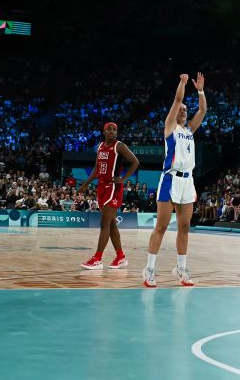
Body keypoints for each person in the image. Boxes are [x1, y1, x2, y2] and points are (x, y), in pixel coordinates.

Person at [143, 72, 207, 288]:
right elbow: (178, 100)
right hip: (170, 179)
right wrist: (182, 83)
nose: (183, 110)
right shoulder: (170, 127)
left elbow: (203, 110)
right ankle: (149, 269)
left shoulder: (189, 130)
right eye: (180, 109)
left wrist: (200, 90)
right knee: (161, 226)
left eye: (185, 111)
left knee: (185, 227)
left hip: (187, 182)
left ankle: (181, 268)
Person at [81, 122, 140, 270]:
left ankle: (98, 258)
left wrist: (123, 179)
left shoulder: (119, 146)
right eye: (109, 129)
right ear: (104, 131)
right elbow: (97, 168)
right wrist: (86, 183)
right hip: (101, 186)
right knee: (111, 223)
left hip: (113, 187)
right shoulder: (100, 146)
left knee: (104, 223)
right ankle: (120, 257)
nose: (112, 132)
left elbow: (135, 162)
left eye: (114, 130)